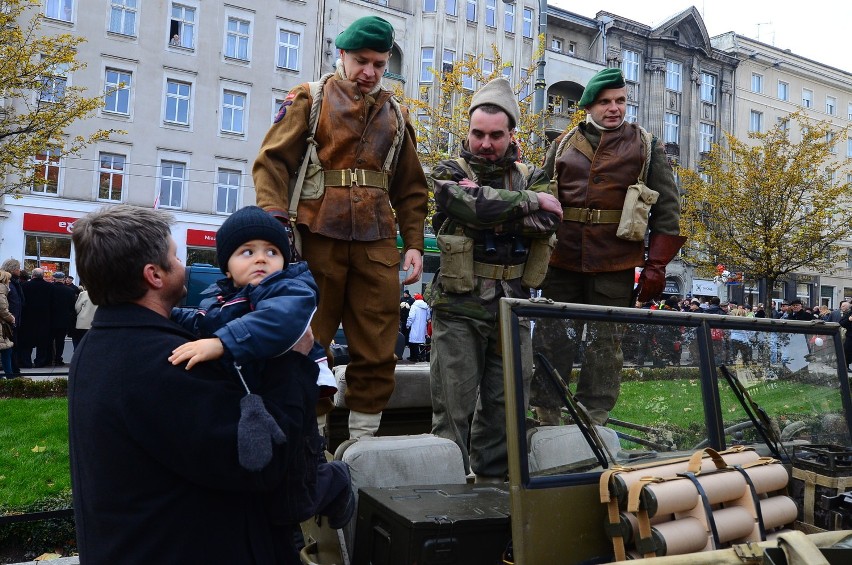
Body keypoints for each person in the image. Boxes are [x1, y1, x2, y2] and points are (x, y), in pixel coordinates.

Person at [68, 204, 345, 564]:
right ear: (154, 275)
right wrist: (294, 362)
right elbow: (263, 462)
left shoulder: (101, 342)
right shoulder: (166, 362)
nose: (183, 265)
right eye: (176, 256)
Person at [253, 15, 429, 439]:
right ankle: (312, 440)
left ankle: (363, 439)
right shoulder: (309, 99)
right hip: (316, 239)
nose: (369, 72)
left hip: (377, 243)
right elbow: (271, 162)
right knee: (310, 342)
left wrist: (415, 244)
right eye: (362, 61)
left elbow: (410, 188)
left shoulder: (397, 114)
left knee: (378, 343)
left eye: (379, 64)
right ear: (342, 56)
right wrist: (275, 222)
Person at [532, 67, 684, 426]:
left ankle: (593, 416)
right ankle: (547, 411)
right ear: (588, 106)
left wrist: (656, 264)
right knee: (553, 339)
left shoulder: (645, 145)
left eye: (620, 101)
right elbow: (538, 191)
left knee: (606, 345)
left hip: (614, 262)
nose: (614, 108)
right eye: (605, 102)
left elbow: (668, 208)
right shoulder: (563, 144)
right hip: (562, 258)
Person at [428, 77, 562, 481]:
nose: (485, 144)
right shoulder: (450, 169)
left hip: (512, 306)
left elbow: (550, 220)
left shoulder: (533, 173)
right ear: (468, 131)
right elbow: (457, 203)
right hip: (459, 305)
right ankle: (445, 492)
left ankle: (491, 489)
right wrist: (526, 204)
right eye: (477, 134)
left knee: (506, 409)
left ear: (511, 134)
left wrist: (486, 206)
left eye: (495, 135)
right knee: (452, 408)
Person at [19, 268, 54, 368]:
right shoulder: (49, 287)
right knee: (42, 343)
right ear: (42, 276)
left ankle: (26, 362)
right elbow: (52, 303)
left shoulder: (25, 285)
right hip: (44, 318)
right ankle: (40, 362)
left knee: (26, 343)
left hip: (27, 318)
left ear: (32, 275)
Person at [1, 259, 24, 375]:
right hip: (7, 323)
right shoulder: (6, 283)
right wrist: (11, 318)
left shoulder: (14, 283)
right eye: (18, 268)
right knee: (8, 349)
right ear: (13, 269)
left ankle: (13, 373)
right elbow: (3, 306)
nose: (20, 270)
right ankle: (12, 375)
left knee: (10, 349)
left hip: (12, 321)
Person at [50, 271, 77, 365]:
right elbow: (72, 307)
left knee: (49, 339)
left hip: (50, 319)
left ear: (54, 278)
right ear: (63, 279)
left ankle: (49, 358)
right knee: (60, 340)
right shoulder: (70, 291)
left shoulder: (49, 289)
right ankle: (58, 359)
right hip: (63, 319)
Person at [405, 293, 430, 362]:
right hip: (423, 327)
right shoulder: (426, 306)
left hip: (414, 326)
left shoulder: (414, 306)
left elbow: (411, 317)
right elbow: (428, 317)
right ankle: (421, 356)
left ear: (415, 299)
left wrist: (408, 325)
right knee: (421, 342)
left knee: (413, 342)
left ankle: (414, 357)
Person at [0, 270, 16, 377]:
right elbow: (2, 309)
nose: (9, 281)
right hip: (1, 325)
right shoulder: (1, 291)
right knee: (7, 351)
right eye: (9, 279)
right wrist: (11, 318)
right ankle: (10, 378)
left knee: (7, 350)